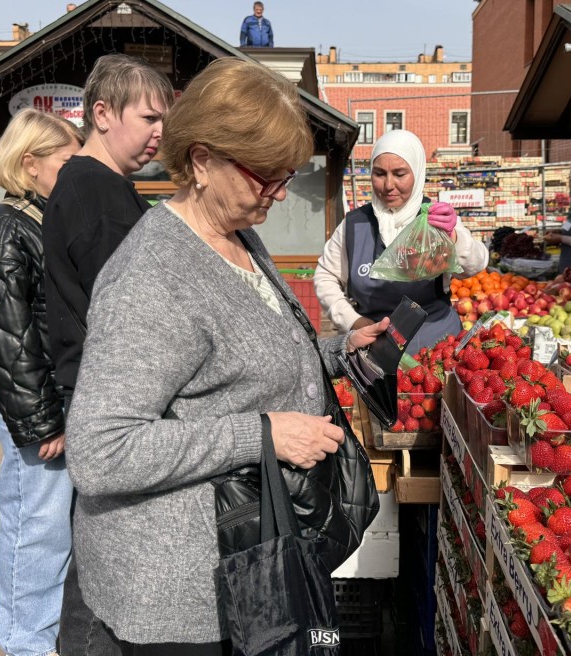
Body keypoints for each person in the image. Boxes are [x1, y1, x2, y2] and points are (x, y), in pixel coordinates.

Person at [63, 57, 388, 654]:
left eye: (287, 175)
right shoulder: (151, 275)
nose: (281, 193)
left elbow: (244, 363)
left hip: (250, 565)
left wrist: (340, 350)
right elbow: (100, 452)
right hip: (180, 598)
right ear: (202, 160)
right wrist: (260, 435)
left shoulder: (239, 234)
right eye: (265, 175)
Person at [43, 53, 175, 656]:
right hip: (113, 399)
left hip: (95, 392)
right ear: (101, 113)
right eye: (149, 117)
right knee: (105, 568)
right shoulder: (98, 195)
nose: (159, 134)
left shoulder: (93, 185)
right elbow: (131, 313)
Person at [0, 108, 84, 656]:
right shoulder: (2, 230)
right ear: (29, 163)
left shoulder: (39, 221)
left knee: (53, 533)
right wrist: (40, 422)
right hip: (40, 414)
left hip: (55, 405)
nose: (77, 172)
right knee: (37, 533)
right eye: (68, 162)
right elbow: (0, 341)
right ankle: (26, 646)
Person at [314, 129, 488, 354]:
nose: (388, 185)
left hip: (437, 351)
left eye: (399, 173)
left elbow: (475, 264)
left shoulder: (434, 218)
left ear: (417, 172)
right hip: (375, 352)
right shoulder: (355, 225)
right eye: (379, 173)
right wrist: (352, 320)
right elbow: (326, 275)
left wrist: (454, 237)